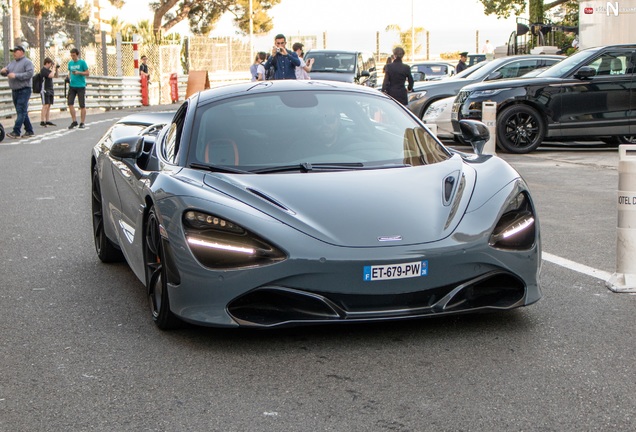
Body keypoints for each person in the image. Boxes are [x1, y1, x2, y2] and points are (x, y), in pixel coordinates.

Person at [0, 45, 35, 139]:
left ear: (22, 52)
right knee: (22, 111)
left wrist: (16, 75)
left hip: (24, 89)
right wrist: (3, 71)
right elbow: (6, 72)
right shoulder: (12, 63)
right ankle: (29, 130)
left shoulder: (27, 62)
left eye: (16, 51)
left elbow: (30, 74)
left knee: (21, 110)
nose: (14, 53)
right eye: (13, 51)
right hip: (15, 90)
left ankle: (16, 131)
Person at [67, 47, 89, 129]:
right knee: (70, 103)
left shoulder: (82, 62)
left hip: (81, 86)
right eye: (71, 55)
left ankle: (82, 122)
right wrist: (68, 77)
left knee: (82, 105)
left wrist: (79, 72)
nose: (73, 57)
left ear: (77, 55)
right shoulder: (70, 63)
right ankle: (74, 120)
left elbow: (87, 73)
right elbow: (69, 72)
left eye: (74, 55)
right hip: (72, 85)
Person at [40, 57, 59, 127]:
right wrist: (53, 68)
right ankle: (42, 120)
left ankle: (47, 120)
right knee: (45, 105)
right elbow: (51, 75)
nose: (51, 66)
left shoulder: (49, 70)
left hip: (50, 89)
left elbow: (56, 76)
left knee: (49, 105)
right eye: (50, 64)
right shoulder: (43, 70)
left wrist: (56, 68)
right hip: (45, 89)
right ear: (47, 63)